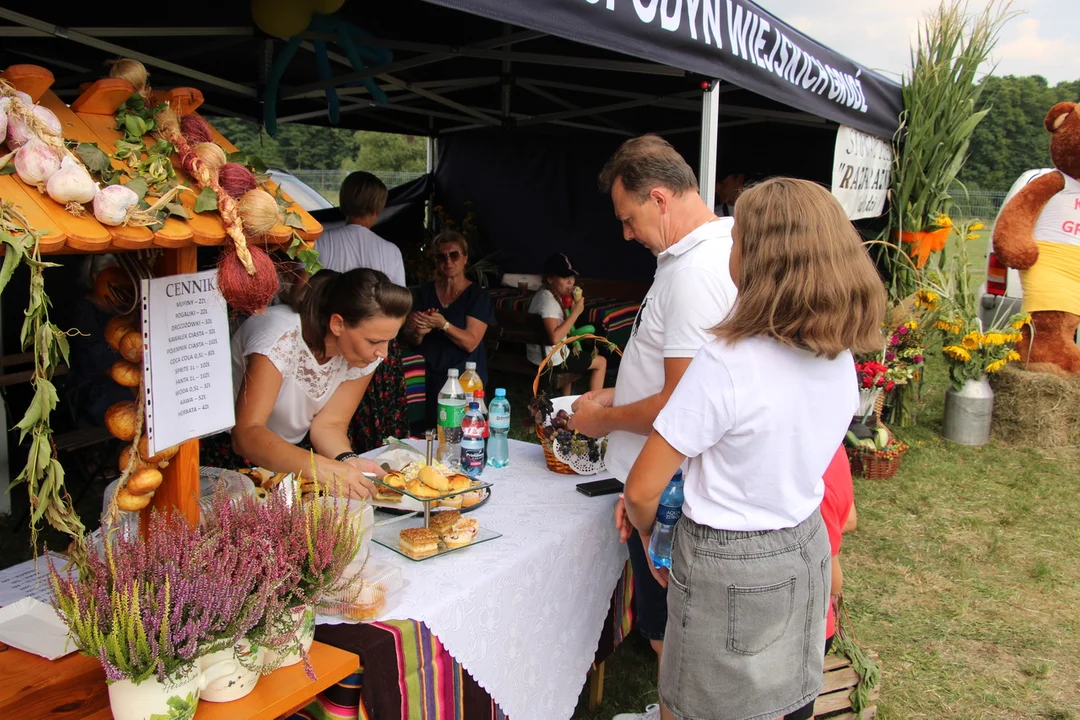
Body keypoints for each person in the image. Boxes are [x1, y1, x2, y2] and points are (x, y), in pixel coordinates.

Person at [622, 177, 886, 720]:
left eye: (737, 239)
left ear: (761, 258)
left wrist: (654, 539)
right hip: (805, 543)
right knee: (788, 701)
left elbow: (643, 487)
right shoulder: (837, 358)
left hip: (725, 560)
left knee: (695, 706)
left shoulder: (726, 362)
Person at [568, 134, 738, 720]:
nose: (626, 233)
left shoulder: (692, 271)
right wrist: (620, 393)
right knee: (675, 625)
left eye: (629, 217)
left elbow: (682, 402)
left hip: (670, 486)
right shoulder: (708, 252)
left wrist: (602, 419)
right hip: (667, 479)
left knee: (673, 627)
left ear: (660, 199)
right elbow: (690, 377)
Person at [220, 268, 413, 499]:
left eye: (389, 341)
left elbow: (329, 424)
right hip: (230, 462)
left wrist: (347, 461)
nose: (383, 353)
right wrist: (323, 468)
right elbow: (246, 434)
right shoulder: (278, 336)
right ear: (337, 324)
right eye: (374, 341)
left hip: (293, 461)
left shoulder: (365, 353)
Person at [313, 171, 410, 452]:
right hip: (375, 354)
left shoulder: (321, 242)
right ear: (378, 208)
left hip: (334, 343)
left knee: (329, 418)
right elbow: (398, 311)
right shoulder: (389, 250)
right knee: (376, 429)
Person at [784, 445, 856, 720]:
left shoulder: (809, 473)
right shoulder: (833, 446)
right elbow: (849, 518)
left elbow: (831, 578)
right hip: (815, 620)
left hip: (798, 621)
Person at [402, 231, 496, 428]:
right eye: (441, 256)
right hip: (426, 375)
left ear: (465, 258)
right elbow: (412, 340)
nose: (448, 261)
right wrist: (418, 329)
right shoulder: (424, 292)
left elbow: (471, 342)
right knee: (425, 432)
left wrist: (442, 324)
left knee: (463, 432)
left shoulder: (477, 296)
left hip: (464, 377)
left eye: (454, 255)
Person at [527, 252, 607, 396]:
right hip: (551, 360)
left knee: (571, 351)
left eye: (572, 276)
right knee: (601, 362)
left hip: (537, 355)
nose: (571, 282)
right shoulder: (549, 302)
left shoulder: (543, 294)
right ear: (550, 279)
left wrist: (572, 308)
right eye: (565, 277)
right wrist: (576, 312)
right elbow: (554, 338)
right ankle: (595, 406)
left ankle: (566, 400)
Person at [317, 171, 406, 285]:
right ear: (376, 210)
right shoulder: (392, 252)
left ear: (343, 200)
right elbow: (399, 300)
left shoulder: (319, 242)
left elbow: (299, 291)